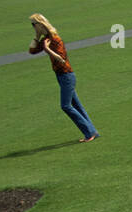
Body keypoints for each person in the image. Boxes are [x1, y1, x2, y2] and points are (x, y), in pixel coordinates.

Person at [28, 14, 99, 143]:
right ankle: (92, 132)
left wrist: (47, 49)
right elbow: (31, 51)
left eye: (33, 25)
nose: (33, 27)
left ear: (40, 24)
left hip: (67, 75)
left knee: (66, 106)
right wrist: (37, 36)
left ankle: (89, 133)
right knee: (76, 105)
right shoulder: (46, 39)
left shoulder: (55, 39)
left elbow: (61, 59)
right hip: (60, 75)